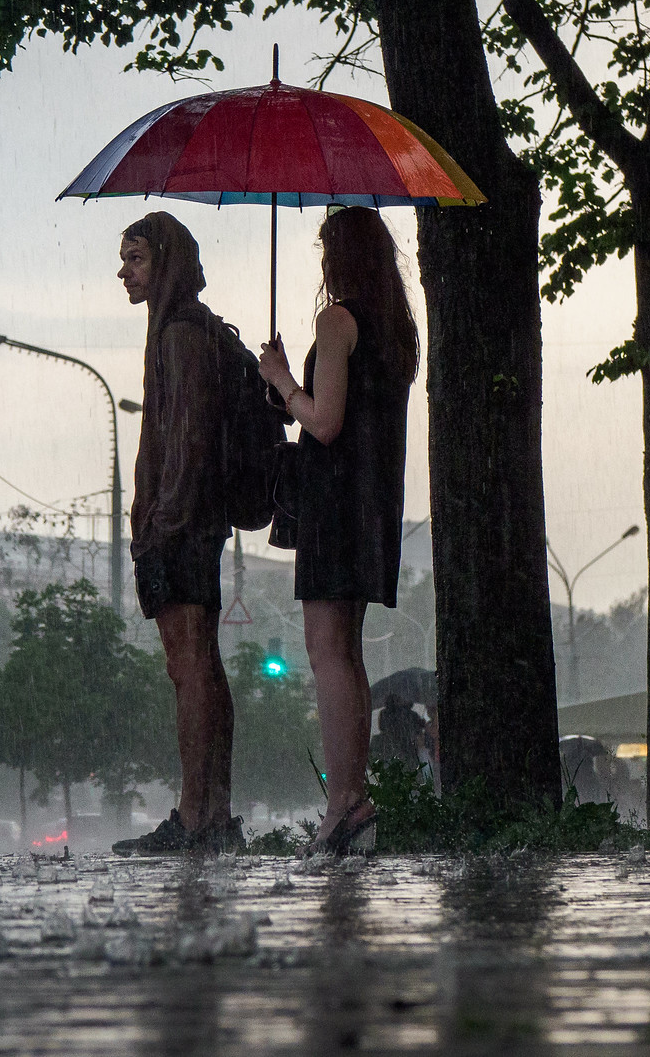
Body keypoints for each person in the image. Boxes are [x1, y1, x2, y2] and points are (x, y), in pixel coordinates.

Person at [257, 207, 417, 855]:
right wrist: (293, 384)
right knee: (347, 652)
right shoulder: (395, 327)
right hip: (373, 503)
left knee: (326, 653)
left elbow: (323, 422)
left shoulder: (337, 319)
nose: (323, 262)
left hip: (331, 504)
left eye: (328, 249)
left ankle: (343, 801)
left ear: (342, 256)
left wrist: (280, 378)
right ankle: (352, 798)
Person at [112, 212, 244, 855]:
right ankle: (211, 814)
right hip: (193, 520)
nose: (123, 272)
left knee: (188, 667)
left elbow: (187, 439)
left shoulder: (181, 335)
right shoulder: (190, 330)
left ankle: (198, 818)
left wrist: (160, 523)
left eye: (135, 258)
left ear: (164, 262)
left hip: (181, 523)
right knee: (202, 666)